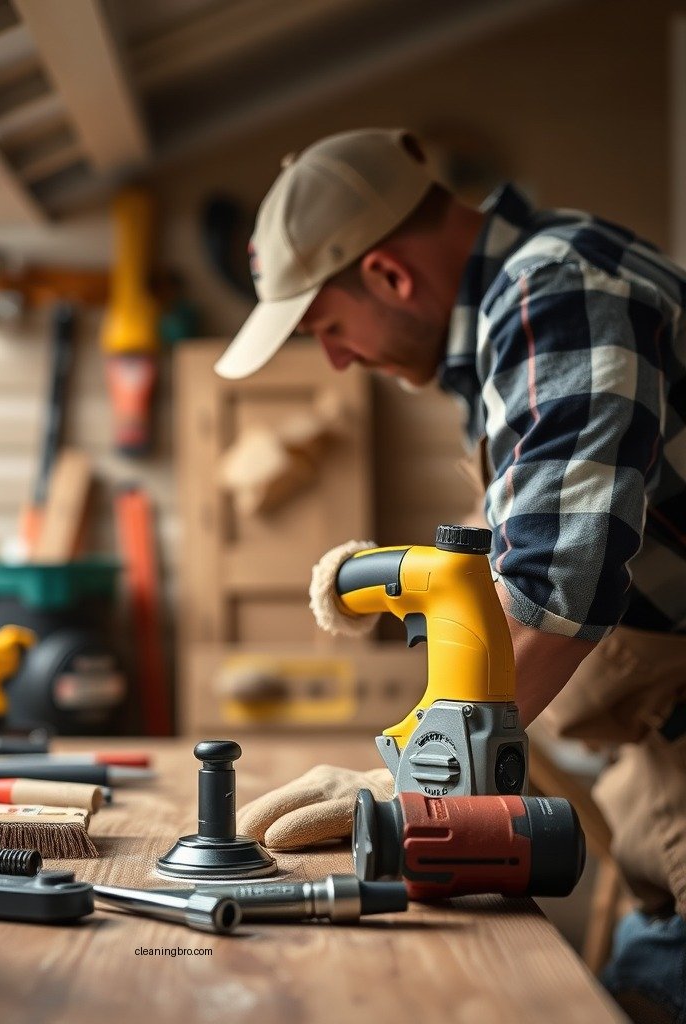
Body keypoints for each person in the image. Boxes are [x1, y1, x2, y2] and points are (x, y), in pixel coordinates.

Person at [216, 128, 686, 1023]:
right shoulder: (538, 297)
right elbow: (555, 517)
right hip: (656, 770)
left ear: (390, 277)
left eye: (327, 329)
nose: (339, 360)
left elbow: (553, 585)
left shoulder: (560, 294)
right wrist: (394, 575)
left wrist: (416, 792)